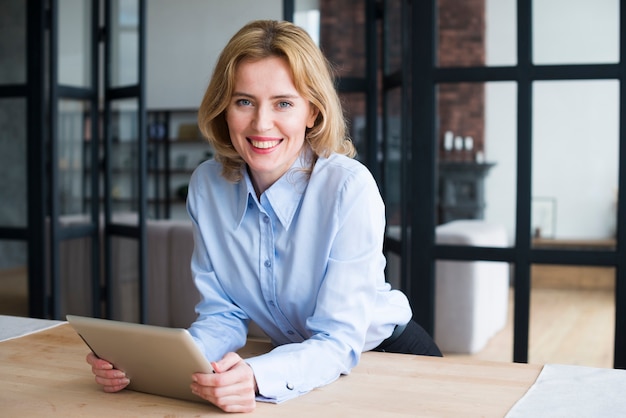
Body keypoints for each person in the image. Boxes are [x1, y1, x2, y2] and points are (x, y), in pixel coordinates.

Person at [86, 19, 441, 413]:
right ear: (224, 107)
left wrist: (257, 376)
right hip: (301, 371)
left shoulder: (348, 189)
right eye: (244, 101)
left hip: (389, 358)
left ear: (313, 112)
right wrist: (153, 365)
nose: (261, 123)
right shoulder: (207, 185)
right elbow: (223, 314)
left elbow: (338, 341)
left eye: (283, 103)